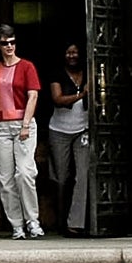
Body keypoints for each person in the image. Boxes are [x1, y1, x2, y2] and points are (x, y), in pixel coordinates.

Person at [0, 23, 43, 238]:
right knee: (5, 179)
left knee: (25, 173)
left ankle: (33, 220)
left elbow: (34, 95)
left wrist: (26, 124)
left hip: (23, 123)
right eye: (5, 43)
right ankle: (17, 225)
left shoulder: (27, 66)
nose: (9, 46)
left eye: (12, 42)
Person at [46, 41, 90, 236]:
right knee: (61, 177)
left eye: (76, 52)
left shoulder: (89, 72)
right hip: (59, 130)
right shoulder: (57, 74)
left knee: (82, 175)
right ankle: (60, 220)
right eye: (68, 52)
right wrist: (82, 95)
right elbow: (57, 99)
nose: (72, 55)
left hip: (83, 129)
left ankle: (76, 223)